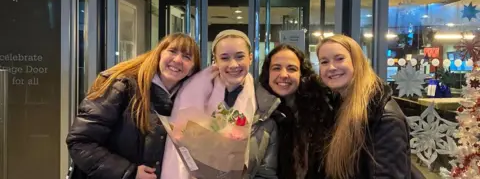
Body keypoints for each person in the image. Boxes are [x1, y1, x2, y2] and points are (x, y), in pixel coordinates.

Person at [66, 33, 201, 179]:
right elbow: (80, 141)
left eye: (187, 57)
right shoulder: (122, 86)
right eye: (172, 51)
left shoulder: (187, 104)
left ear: (192, 69)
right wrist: (128, 172)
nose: (177, 60)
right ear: (159, 54)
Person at [161, 29, 279, 179]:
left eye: (240, 56)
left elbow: (266, 173)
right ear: (215, 61)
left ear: (250, 58)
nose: (233, 64)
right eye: (224, 58)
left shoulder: (264, 107)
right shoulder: (192, 93)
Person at [316, 34, 412, 179]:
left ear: (357, 61)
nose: (331, 67)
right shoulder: (337, 105)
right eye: (324, 61)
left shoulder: (384, 117)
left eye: (339, 59)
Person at [258, 43, 333, 179]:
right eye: (276, 68)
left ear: (302, 74)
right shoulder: (259, 114)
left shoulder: (322, 110)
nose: (284, 75)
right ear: (267, 73)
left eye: (291, 69)